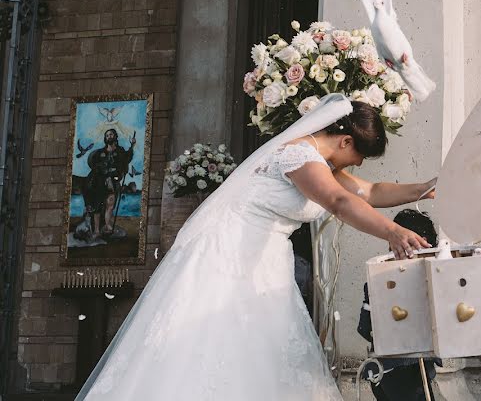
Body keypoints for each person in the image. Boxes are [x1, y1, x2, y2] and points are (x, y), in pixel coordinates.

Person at [76, 94, 435, 400]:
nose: (358, 165)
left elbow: (370, 193)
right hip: (231, 256)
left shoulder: (319, 163)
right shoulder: (298, 157)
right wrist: (391, 232)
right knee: (219, 342)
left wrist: (423, 187)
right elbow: (340, 202)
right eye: (359, 156)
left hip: (266, 260)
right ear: (345, 141)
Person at [357, 209, 441, 401]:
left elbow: (364, 329)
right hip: (405, 372)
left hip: (383, 371)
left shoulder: (378, 281)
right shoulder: (430, 283)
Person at [83, 128, 135, 238]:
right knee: (97, 206)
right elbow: (95, 166)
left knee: (110, 204)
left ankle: (107, 225)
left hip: (114, 181)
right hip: (100, 182)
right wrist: (106, 175)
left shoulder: (120, 151)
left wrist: (132, 146)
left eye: (111, 134)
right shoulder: (100, 153)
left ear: (115, 136)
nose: (109, 137)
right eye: (107, 135)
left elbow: (127, 159)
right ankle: (96, 230)